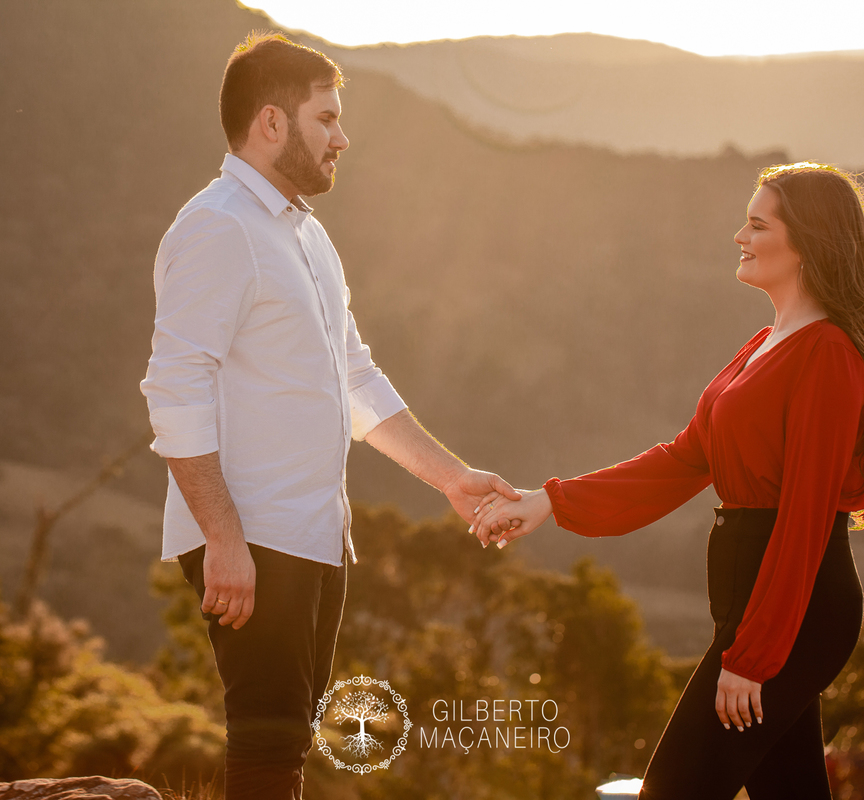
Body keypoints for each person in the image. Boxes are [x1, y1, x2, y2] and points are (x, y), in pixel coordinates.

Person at [472, 162, 864, 799]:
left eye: (758, 225)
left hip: (794, 610)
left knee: (672, 790)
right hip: (758, 603)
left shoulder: (827, 353)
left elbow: (804, 517)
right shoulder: (766, 342)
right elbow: (685, 457)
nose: (739, 237)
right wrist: (550, 501)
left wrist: (753, 659)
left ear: (808, 242)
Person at [139, 33, 518, 800]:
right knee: (267, 741)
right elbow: (174, 387)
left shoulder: (306, 235)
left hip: (315, 534)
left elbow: (355, 378)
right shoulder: (218, 227)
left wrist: (450, 479)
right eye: (327, 118)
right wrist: (223, 538)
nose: (342, 138)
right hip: (253, 533)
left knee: (289, 743)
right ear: (271, 123)